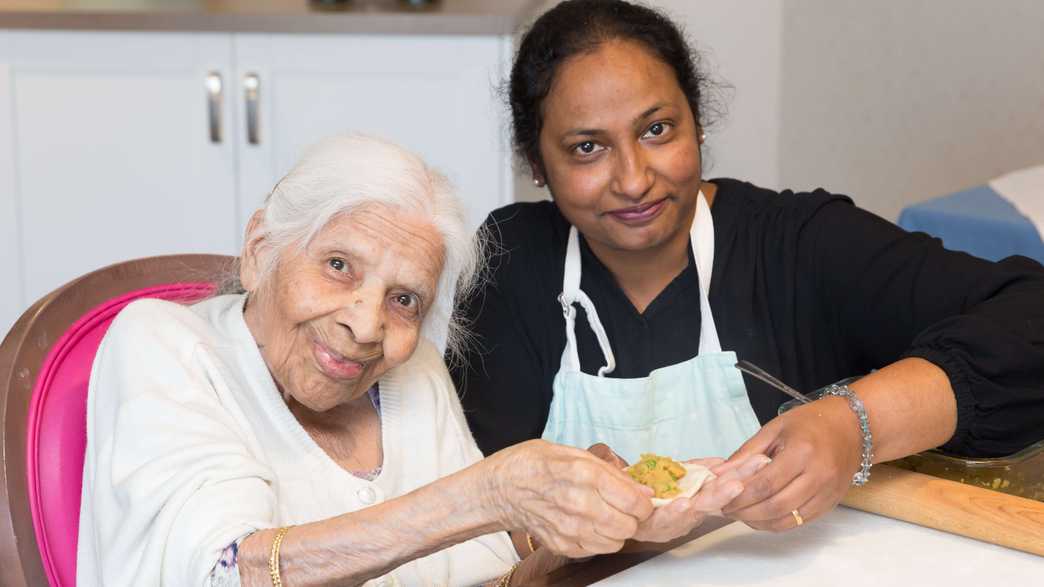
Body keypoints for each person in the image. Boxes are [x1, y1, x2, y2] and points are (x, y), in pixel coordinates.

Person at [452, 0, 1044, 535]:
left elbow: (1030, 317)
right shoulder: (510, 264)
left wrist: (851, 425)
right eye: (588, 147)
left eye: (657, 130)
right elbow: (471, 504)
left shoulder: (800, 244)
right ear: (537, 162)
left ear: (698, 120)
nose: (633, 179)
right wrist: (564, 521)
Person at [76, 134, 763, 586]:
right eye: (339, 264)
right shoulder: (165, 345)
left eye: (405, 298)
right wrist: (490, 492)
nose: (366, 323)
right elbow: (222, 570)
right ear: (261, 249)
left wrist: (615, 529)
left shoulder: (412, 375)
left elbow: (488, 574)